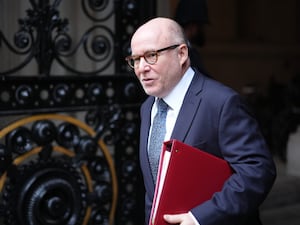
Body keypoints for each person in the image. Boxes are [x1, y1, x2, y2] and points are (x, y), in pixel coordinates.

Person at [125, 17, 276, 225]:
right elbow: (155, 190)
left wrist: (198, 218)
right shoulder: (148, 108)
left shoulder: (222, 102)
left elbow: (257, 171)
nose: (141, 68)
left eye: (151, 56)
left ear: (181, 54)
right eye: (135, 59)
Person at [174, 0, 210, 76]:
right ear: (192, 26)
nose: (204, 30)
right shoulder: (188, 56)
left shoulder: (173, 50)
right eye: (201, 26)